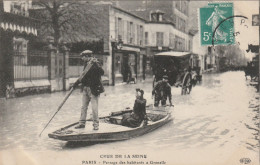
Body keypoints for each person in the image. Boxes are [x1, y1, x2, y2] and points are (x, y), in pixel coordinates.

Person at [73, 50, 104, 130]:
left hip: (94, 89)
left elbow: (102, 72)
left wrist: (97, 65)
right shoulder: (86, 64)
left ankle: (96, 125)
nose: (82, 59)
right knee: (83, 107)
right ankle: (82, 123)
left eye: (83, 57)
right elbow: (83, 76)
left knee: (94, 108)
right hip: (85, 88)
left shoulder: (95, 63)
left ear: (87, 56)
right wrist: (76, 84)